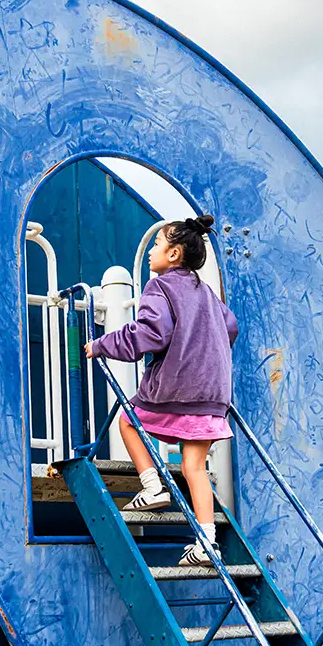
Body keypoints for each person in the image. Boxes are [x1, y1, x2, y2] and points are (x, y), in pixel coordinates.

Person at [85, 215, 238, 567]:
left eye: (157, 244)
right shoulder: (207, 294)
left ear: (174, 254)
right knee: (194, 466)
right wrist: (202, 347)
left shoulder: (160, 287)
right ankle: (206, 543)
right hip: (213, 394)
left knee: (128, 420)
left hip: (178, 389)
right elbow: (230, 327)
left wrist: (102, 345)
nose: (152, 250)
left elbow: (150, 334)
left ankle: (152, 486)